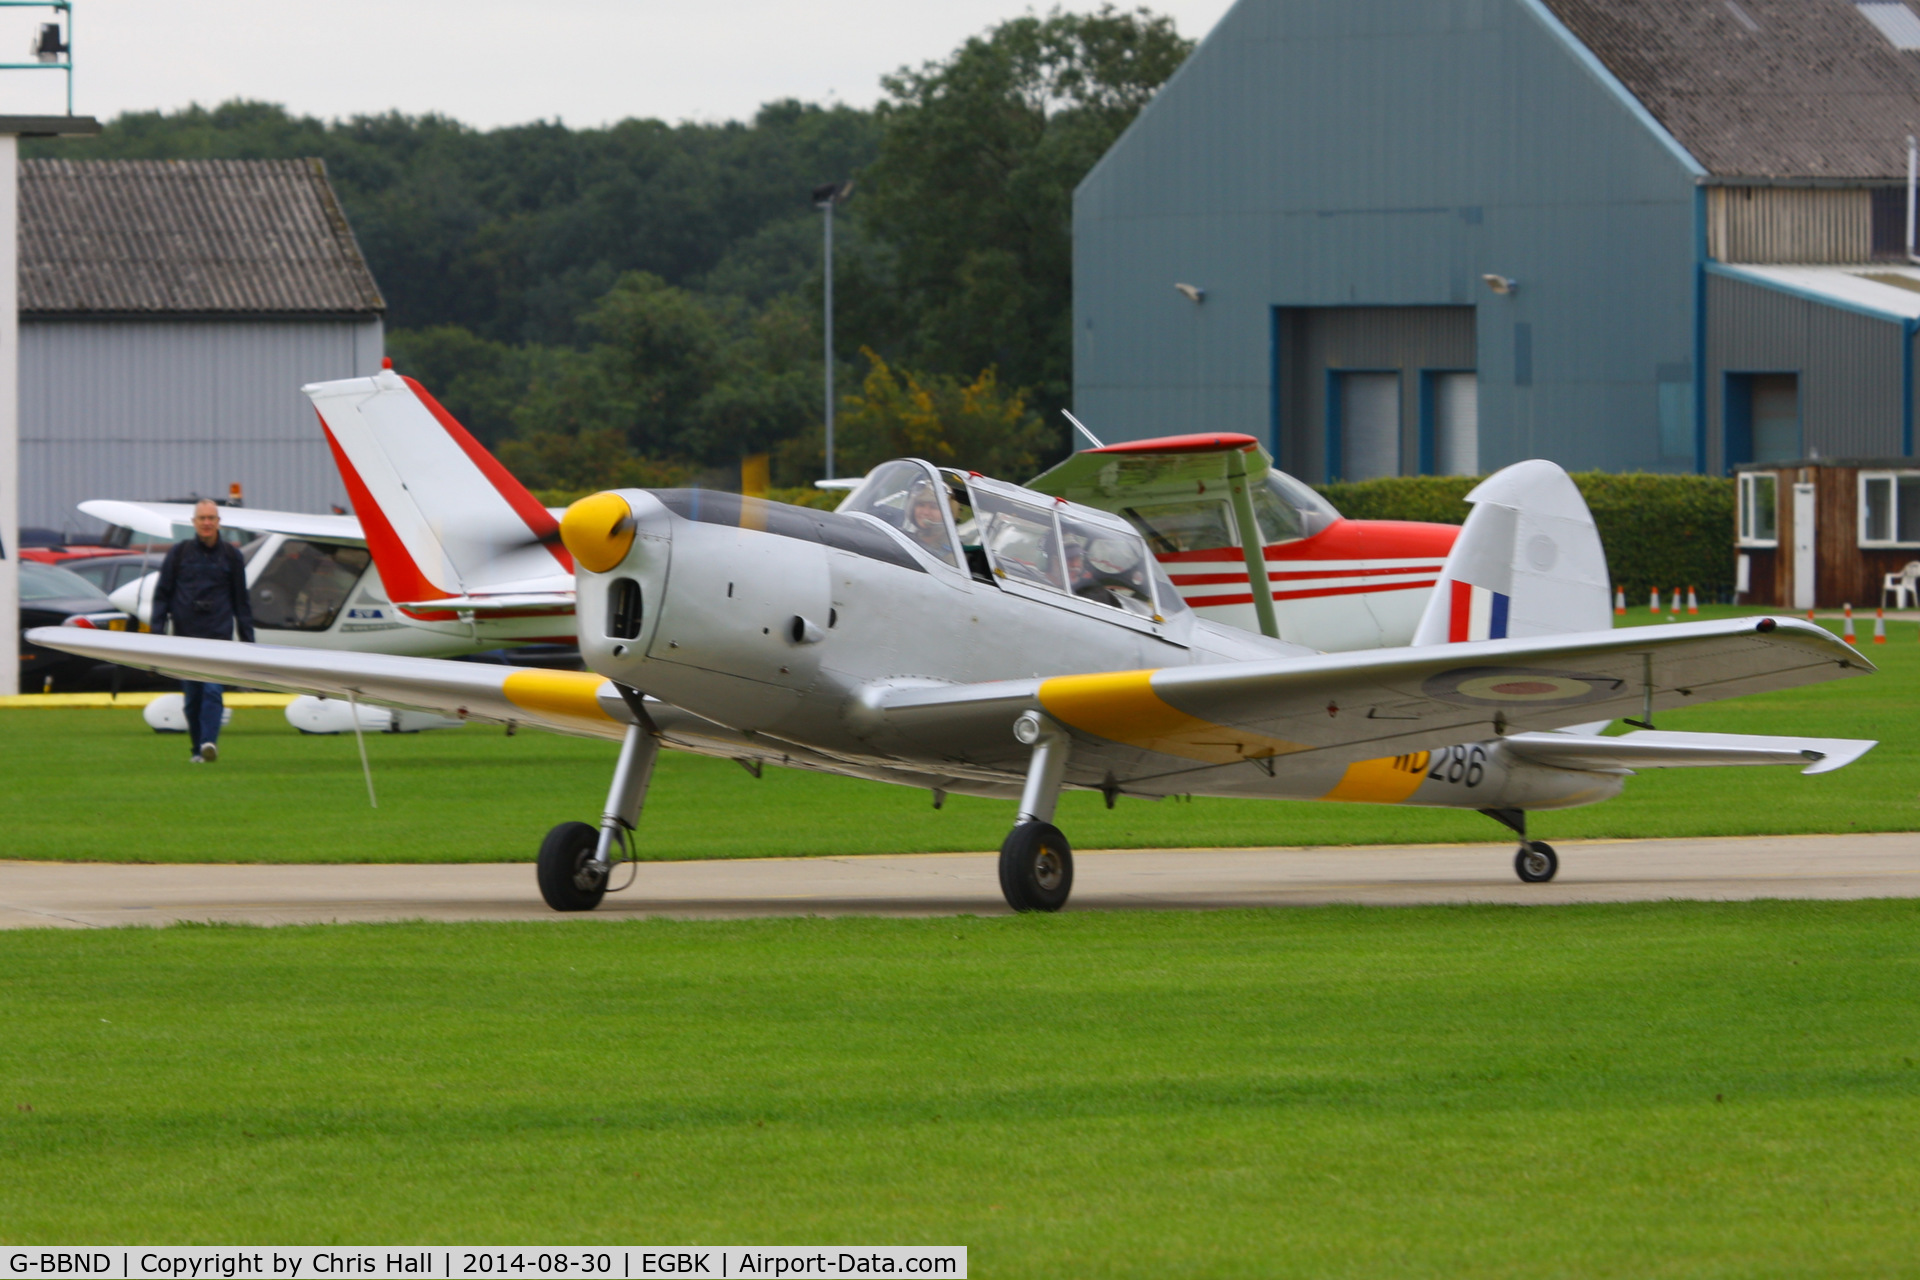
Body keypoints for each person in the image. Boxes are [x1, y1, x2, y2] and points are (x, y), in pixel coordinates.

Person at [150, 499, 255, 762]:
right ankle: (198, 748)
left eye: (212, 518)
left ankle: (209, 742)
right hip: (185, 637)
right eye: (202, 518)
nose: (207, 523)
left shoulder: (232, 556)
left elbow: (241, 602)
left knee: (212, 690)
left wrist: (248, 643)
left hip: (218, 637)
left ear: (219, 522)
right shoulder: (179, 553)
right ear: (194, 523)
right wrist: (156, 635)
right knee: (192, 699)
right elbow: (162, 595)